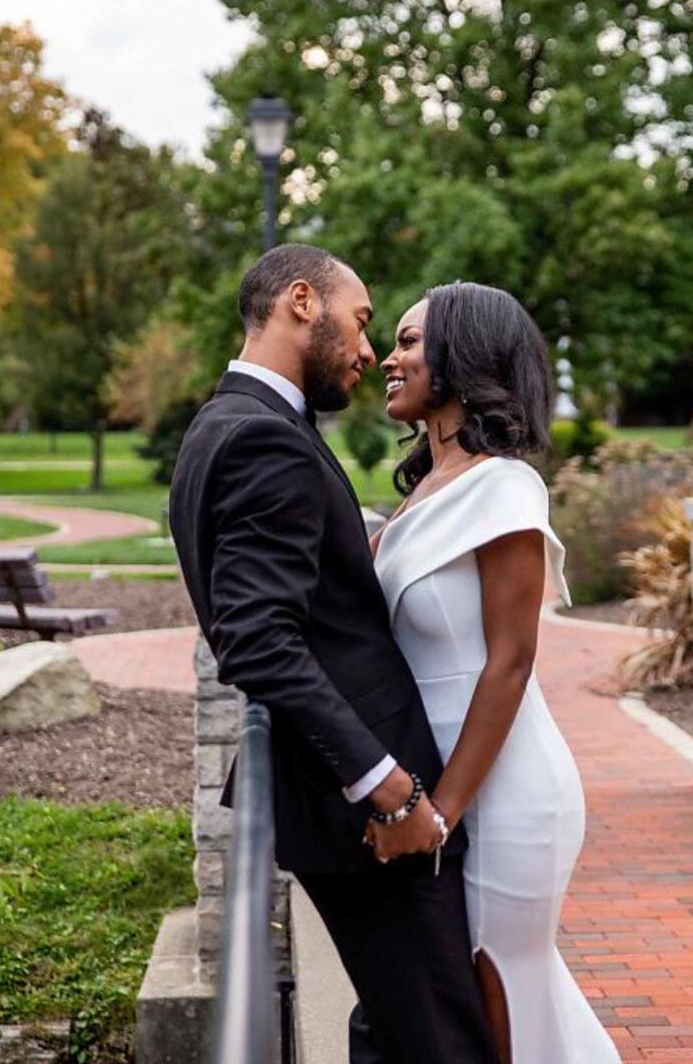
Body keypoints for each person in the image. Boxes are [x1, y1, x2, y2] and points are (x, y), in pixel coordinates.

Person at [168, 245, 499, 1064]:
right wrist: (386, 785)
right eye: (359, 322)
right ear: (302, 302)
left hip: (334, 800)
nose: (366, 350)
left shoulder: (223, 424)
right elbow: (256, 640)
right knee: (442, 1039)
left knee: (391, 1025)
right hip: (365, 812)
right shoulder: (263, 438)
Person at [369, 281, 623, 1064]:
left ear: (462, 354)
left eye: (409, 341)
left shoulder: (504, 485)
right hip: (441, 782)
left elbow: (510, 662)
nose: (387, 358)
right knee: (487, 1002)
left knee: (500, 991)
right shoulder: (423, 491)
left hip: (505, 791)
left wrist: (438, 812)